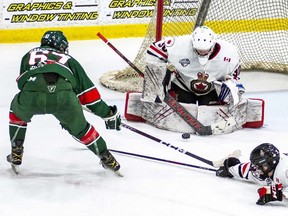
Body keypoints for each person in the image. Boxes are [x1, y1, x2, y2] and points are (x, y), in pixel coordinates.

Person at [7, 30, 122, 175]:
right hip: (64, 96)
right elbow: (89, 95)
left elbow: (22, 84)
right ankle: (106, 156)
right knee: (82, 130)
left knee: (17, 113)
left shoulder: (29, 55)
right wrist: (108, 113)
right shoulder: (69, 59)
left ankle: (16, 150)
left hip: (32, 92)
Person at [145, 25, 245, 106]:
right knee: (183, 107)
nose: (202, 53)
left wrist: (231, 85)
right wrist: (154, 83)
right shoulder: (180, 44)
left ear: (213, 44)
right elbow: (154, 50)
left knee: (210, 112)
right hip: (182, 86)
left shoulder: (230, 52)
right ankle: (152, 101)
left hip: (212, 90)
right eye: (199, 50)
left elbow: (234, 77)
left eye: (205, 50)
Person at [216, 143, 288, 205]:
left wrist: (274, 194)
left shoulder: (284, 170)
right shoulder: (267, 171)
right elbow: (248, 170)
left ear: (269, 164)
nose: (257, 169)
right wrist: (230, 169)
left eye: (259, 166)